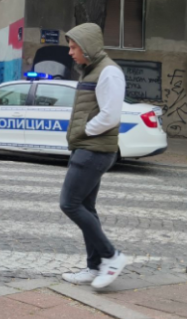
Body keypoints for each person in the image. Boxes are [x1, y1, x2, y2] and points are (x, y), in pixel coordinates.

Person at [59, 23, 127, 289]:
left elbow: (110, 115)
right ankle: (95, 266)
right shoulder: (92, 71)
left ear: (87, 47)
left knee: (70, 204)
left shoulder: (109, 72)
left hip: (94, 150)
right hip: (87, 148)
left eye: (73, 47)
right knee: (86, 208)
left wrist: (84, 131)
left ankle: (112, 256)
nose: (70, 52)